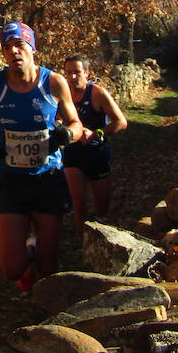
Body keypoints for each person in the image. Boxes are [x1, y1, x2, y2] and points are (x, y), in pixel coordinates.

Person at [0, 21, 82, 292]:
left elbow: (76, 124)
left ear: (32, 48)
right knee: (12, 269)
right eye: (7, 47)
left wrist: (65, 135)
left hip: (48, 179)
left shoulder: (53, 82)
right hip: (12, 181)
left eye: (19, 45)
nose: (13, 52)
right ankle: (29, 248)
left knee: (48, 266)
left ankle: (45, 308)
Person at [62, 55, 127, 239]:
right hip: (73, 154)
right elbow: (56, 119)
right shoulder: (62, 94)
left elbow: (121, 122)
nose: (72, 77)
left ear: (87, 73)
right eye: (68, 72)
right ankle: (82, 243)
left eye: (77, 72)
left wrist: (97, 134)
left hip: (96, 154)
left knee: (101, 208)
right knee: (78, 203)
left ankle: (102, 241)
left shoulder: (97, 94)